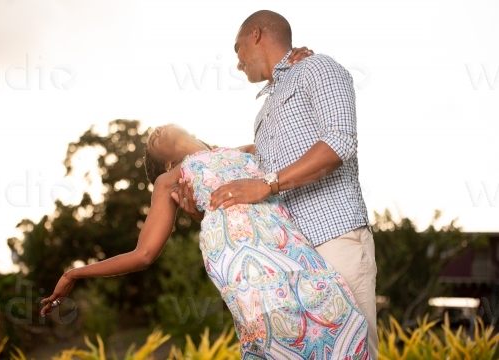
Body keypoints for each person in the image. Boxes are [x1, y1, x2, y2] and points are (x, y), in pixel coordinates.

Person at [41, 123, 368, 359]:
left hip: (298, 257)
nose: (156, 130)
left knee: (345, 333)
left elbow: (304, 158)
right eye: (151, 143)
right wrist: (74, 274)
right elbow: (143, 254)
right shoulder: (170, 178)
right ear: (166, 164)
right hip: (250, 276)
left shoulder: (246, 151)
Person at [175, 10, 378, 359]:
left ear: (256, 35)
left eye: (237, 49)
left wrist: (268, 183)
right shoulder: (264, 112)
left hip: (334, 236)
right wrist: (204, 210)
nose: (238, 64)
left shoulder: (318, 68)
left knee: (353, 351)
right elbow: (252, 186)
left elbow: (340, 142)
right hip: (289, 258)